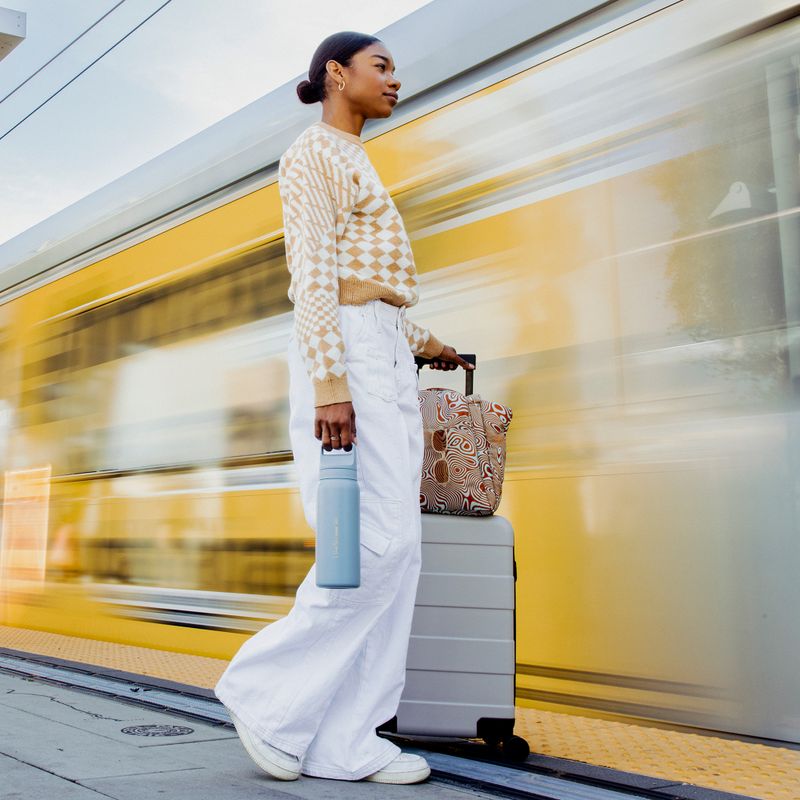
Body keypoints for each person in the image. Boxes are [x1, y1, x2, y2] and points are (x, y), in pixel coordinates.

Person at [214, 30, 474, 786]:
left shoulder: (357, 158)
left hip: (383, 346)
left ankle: (345, 740)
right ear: (336, 73)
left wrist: (426, 342)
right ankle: (265, 696)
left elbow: (369, 285)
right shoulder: (313, 154)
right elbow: (315, 277)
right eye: (381, 66)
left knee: (402, 552)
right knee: (369, 547)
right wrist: (331, 383)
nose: (396, 79)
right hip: (351, 360)